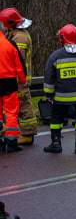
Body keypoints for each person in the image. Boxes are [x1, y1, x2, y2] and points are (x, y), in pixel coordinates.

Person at [42, 24, 76, 154]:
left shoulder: (55, 56)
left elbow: (49, 77)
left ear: (62, 38)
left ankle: (56, 144)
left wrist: (49, 94)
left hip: (61, 97)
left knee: (56, 119)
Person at [0, 9, 37, 146]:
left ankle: (27, 134)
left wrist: (18, 78)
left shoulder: (19, 37)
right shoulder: (16, 34)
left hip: (18, 78)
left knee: (24, 106)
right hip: (14, 77)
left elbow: (17, 60)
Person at [0, 25, 26, 153]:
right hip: (9, 82)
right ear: (3, 31)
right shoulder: (9, 45)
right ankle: (11, 142)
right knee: (11, 112)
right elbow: (19, 66)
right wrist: (23, 80)